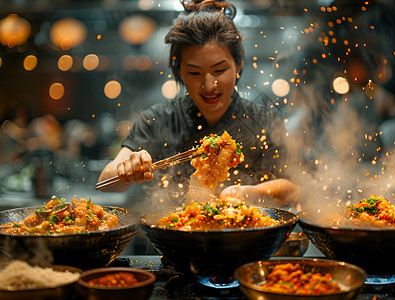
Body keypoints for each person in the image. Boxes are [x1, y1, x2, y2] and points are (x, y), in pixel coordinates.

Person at [98, 0, 300, 207]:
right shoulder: (157, 119)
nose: (209, 85)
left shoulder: (263, 121)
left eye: (220, 70)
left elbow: (293, 190)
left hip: (244, 236)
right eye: (194, 73)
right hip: (170, 235)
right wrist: (128, 167)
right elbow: (105, 182)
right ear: (179, 73)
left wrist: (248, 193)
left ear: (238, 65)